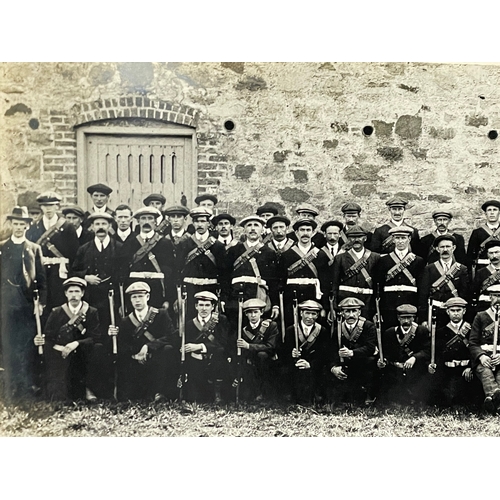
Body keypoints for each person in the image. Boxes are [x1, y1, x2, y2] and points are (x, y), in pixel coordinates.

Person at [71, 212, 125, 397]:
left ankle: (111, 389)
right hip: (91, 302)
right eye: (97, 224)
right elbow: (74, 271)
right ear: (91, 227)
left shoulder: (119, 247)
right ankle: (90, 387)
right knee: (93, 343)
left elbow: (125, 273)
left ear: (110, 226)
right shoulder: (84, 249)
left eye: (104, 223)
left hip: (112, 302)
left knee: (112, 342)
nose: (101, 227)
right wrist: (86, 277)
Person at [0, 206, 46, 403]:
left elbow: (42, 279)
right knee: (8, 347)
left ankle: (27, 390)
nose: (19, 228)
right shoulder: (2, 248)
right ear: (11, 224)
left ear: (28, 226)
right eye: (16, 224)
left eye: (23, 225)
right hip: (7, 305)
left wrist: (41, 303)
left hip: (28, 305)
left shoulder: (34, 248)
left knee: (27, 347)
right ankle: (11, 391)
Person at [108, 282, 178, 402]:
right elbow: (123, 344)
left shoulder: (161, 314)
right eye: (134, 297)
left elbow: (171, 336)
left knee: (168, 350)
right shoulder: (126, 321)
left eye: (140, 296)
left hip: (158, 357)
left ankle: (160, 392)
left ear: (148, 297)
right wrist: (113, 335)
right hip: (137, 360)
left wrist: (148, 346)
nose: (137, 300)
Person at [40, 277, 103, 402]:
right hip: (62, 353)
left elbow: (95, 337)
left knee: (98, 348)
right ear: (65, 294)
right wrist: (60, 347)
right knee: (59, 395)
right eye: (70, 292)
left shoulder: (91, 312)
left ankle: (88, 388)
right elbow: (49, 336)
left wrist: (76, 343)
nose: (74, 295)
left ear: (82, 293)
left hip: (82, 352)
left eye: (77, 291)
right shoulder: (57, 312)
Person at [26, 191, 79, 318]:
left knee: (60, 307)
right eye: (45, 206)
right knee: (42, 306)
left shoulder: (67, 227)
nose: (48, 209)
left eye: (51, 205)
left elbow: (74, 254)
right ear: (41, 207)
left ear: (57, 206)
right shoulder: (33, 228)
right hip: (40, 272)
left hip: (60, 273)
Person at [224, 215, 280, 326]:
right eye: (249, 225)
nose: (253, 228)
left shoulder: (269, 253)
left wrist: (275, 304)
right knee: (234, 329)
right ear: (244, 230)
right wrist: (224, 298)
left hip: (257, 296)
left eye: (256, 225)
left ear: (262, 230)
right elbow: (226, 276)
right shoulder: (234, 250)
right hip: (235, 297)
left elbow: (273, 281)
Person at [178, 291, 230, 403]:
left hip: (215, 361)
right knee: (194, 398)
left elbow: (223, 342)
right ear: (196, 306)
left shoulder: (221, 320)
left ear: (213, 307)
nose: (204, 308)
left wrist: (200, 346)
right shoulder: (189, 324)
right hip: (196, 362)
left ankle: (217, 394)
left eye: (207, 305)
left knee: (220, 352)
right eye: (201, 305)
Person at [121, 206, 176, 309]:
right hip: (135, 290)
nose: (147, 221)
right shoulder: (130, 242)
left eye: (150, 218)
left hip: (157, 291)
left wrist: (168, 298)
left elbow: (170, 273)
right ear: (138, 221)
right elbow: (123, 270)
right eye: (143, 218)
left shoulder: (165, 243)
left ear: (155, 222)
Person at [176, 207, 227, 316]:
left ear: (208, 223)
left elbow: (223, 273)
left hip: (211, 289)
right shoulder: (184, 244)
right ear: (193, 223)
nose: (200, 224)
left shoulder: (218, 246)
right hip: (189, 290)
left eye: (203, 221)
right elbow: (178, 269)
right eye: (197, 221)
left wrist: (223, 297)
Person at [427, 298, 478, 407]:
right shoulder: (440, 331)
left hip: (466, 370)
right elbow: (438, 353)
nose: (455, 313)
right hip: (447, 370)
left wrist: (471, 367)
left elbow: (475, 349)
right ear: (447, 312)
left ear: (464, 311)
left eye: (458, 310)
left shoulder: (472, 329)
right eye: (452, 311)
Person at [281, 218, 332, 325]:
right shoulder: (287, 255)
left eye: (308, 230)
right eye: (302, 230)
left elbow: (325, 283)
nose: (305, 233)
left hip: (313, 296)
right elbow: (282, 281)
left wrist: (324, 306)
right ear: (296, 233)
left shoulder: (321, 255)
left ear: (313, 233)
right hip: (292, 297)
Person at [378, 304, 431, 405]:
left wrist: (414, 358)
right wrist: (383, 361)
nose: (406, 321)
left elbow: (427, 351)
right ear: (398, 318)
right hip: (395, 369)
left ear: (414, 318)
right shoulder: (390, 332)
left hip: (415, 369)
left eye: (409, 318)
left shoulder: (422, 331)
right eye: (403, 318)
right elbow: (386, 353)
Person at [329, 297, 378, 405]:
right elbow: (332, 351)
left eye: (354, 311)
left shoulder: (368, 326)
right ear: (342, 313)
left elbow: (370, 347)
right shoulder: (338, 328)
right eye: (347, 311)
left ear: (359, 312)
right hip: (345, 365)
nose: (351, 315)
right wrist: (334, 367)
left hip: (363, 364)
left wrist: (352, 352)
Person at [375, 226, 425, 328]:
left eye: (403, 238)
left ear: (409, 239)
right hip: (389, 304)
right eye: (397, 238)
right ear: (393, 239)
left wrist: (420, 310)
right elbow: (378, 286)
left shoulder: (418, 261)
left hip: (410, 301)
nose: (400, 241)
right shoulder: (384, 260)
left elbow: (421, 288)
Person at [283, 300, 330, 405]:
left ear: (317, 315)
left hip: (313, 365)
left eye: (313, 314)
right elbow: (284, 351)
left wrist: (310, 364)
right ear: (301, 313)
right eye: (307, 313)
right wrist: (291, 354)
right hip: (296, 364)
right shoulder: (291, 330)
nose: (310, 317)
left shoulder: (322, 331)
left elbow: (324, 353)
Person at [233, 298, 279, 401]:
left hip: (267, 362)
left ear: (261, 312)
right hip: (250, 362)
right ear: (245, 314)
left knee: (262, 355)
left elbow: (270, 346)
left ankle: (265, 393)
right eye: (249, 313)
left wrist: (249, 346)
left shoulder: (271, 326)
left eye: (255, 312)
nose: (253, 315)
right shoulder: (243, 330)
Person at [418, 234, 469, 327]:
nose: (445, 250)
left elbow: (464, 293)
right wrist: (423, 319)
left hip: (455, 313)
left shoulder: (462, 269)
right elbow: (423, 294)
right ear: (437, 249)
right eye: (442, 247)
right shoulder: (430, 268)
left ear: (453, 248)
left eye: (448, 246)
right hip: (435, 312)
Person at [331, 225, 380, 319]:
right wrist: (334, 305)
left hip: (368, 301)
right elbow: (335, 283)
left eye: (359, 237)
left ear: (365, 238)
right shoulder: (340, 258)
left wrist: (376, 307)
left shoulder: (375, 257)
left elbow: (377, 283)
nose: (356, 240)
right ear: (349, 239)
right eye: (352, 237)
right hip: (345, 299)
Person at [468, 284, 500, 414]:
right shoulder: (480, 316)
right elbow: (473, 342)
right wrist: (481, 356)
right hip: (484, 359)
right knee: (486, 374)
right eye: (495, 296)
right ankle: (495, 397)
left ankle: (491, 400)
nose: (498, 299)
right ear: (490, 297)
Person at [467, 200, 500, 277]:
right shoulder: (477, 233)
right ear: (485, 214)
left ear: (499, 212)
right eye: (489, 210)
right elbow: (470, 257)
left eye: (495, 210)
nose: (492, 213)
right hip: (483, 271)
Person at [472, 240, 500, 313]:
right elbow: (476, 292)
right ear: (487, 254)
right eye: (491, 253)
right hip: (486, 308)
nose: (494, 256)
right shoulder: (481, 272)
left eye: (497, 252)